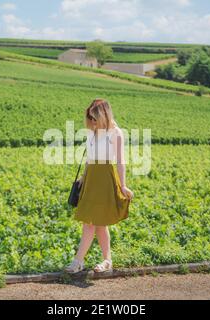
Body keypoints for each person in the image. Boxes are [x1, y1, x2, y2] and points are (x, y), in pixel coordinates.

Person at [64, 98, 134, 274]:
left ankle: (78, 261)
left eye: (94, 117)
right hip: (91, 180)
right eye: (90, 117)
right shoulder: (93, 132)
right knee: (99, 224)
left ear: (104, 114)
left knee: (90, 223)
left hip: (105, 179)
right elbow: (89, 158)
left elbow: (120, 161)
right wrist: (82, 178)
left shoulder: (115, 133)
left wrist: (123, 185)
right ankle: (107, 260)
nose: (92, 121)